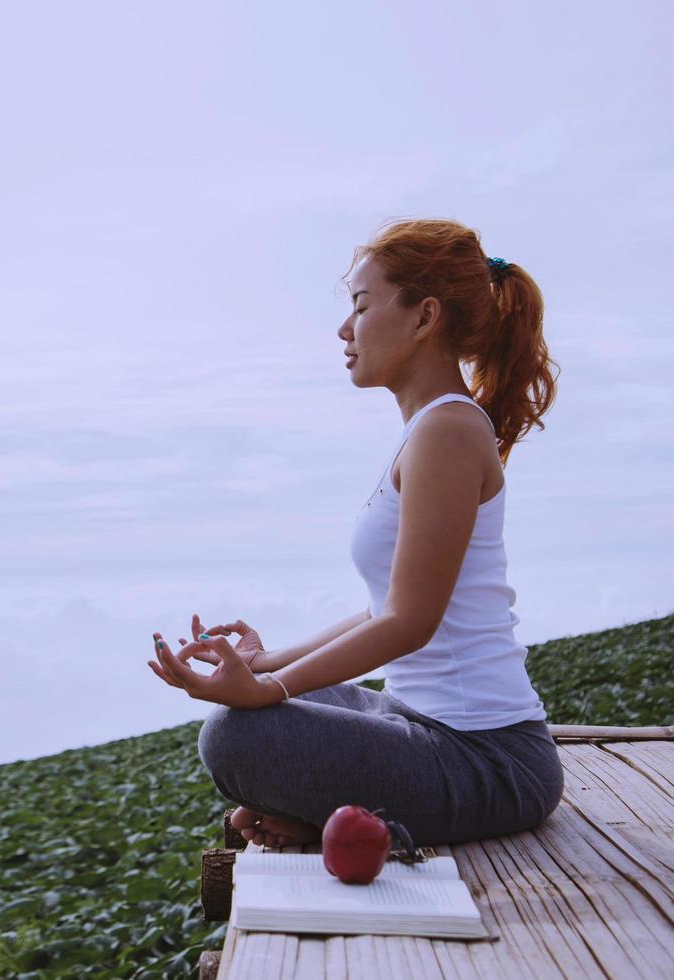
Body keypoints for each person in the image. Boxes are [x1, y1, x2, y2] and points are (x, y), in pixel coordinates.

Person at [145, 217, 563, 848]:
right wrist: (267, 663)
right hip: (421, 721)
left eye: (361, 308)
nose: (345, 330)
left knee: (234, 737)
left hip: (490, 760)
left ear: (424, 318)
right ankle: (326, 816)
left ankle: (322, 819)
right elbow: (383, 608)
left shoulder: (447, 431)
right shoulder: (429, 429)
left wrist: (267, 690)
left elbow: (409, 623)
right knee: (255, 714)